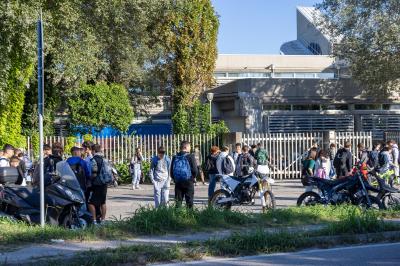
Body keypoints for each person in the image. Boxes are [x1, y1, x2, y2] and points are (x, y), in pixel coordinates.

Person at [170, 141, 198, 208]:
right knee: (189, 201)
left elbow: (171, 171)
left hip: (178, 182)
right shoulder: (190, 156)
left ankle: (176, 216)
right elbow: (195, 170)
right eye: (189, 147)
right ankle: (190, 217)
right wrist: (193, 178)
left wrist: (175, 179)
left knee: (178, 202)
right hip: (188, 181)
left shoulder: (175, 157)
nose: (190, 148)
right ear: (186, 147)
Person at [88, 144, 109, 224]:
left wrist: (90, 180)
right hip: (105, 183)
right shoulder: (105, 159)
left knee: (91, 203)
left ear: (93, 151)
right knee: (103, 202)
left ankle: (94, 221)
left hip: (96, 184)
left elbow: (94, 173)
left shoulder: (93, 160)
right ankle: (103, 220)